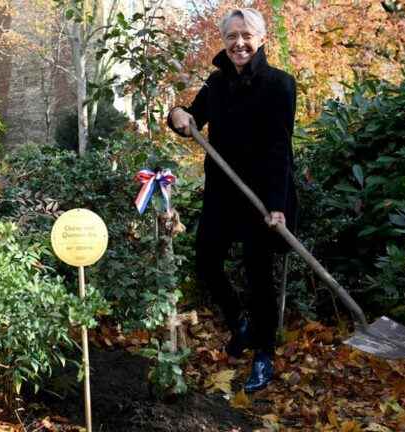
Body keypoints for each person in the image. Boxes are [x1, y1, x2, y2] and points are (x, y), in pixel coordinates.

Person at [167, 7, 298, 392]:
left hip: (261, 196)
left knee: (259, 275)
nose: (239, 43)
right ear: (224, 41)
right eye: (231, 37)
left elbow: (279, 147)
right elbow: (192, 118)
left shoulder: (280, 84)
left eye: (246, 36)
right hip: (223, 192)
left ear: (261, 40)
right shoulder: (217, 82)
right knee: (206, 261)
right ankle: (238, 321)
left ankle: (263, 354)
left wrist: (276, 204)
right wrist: (177, 114)